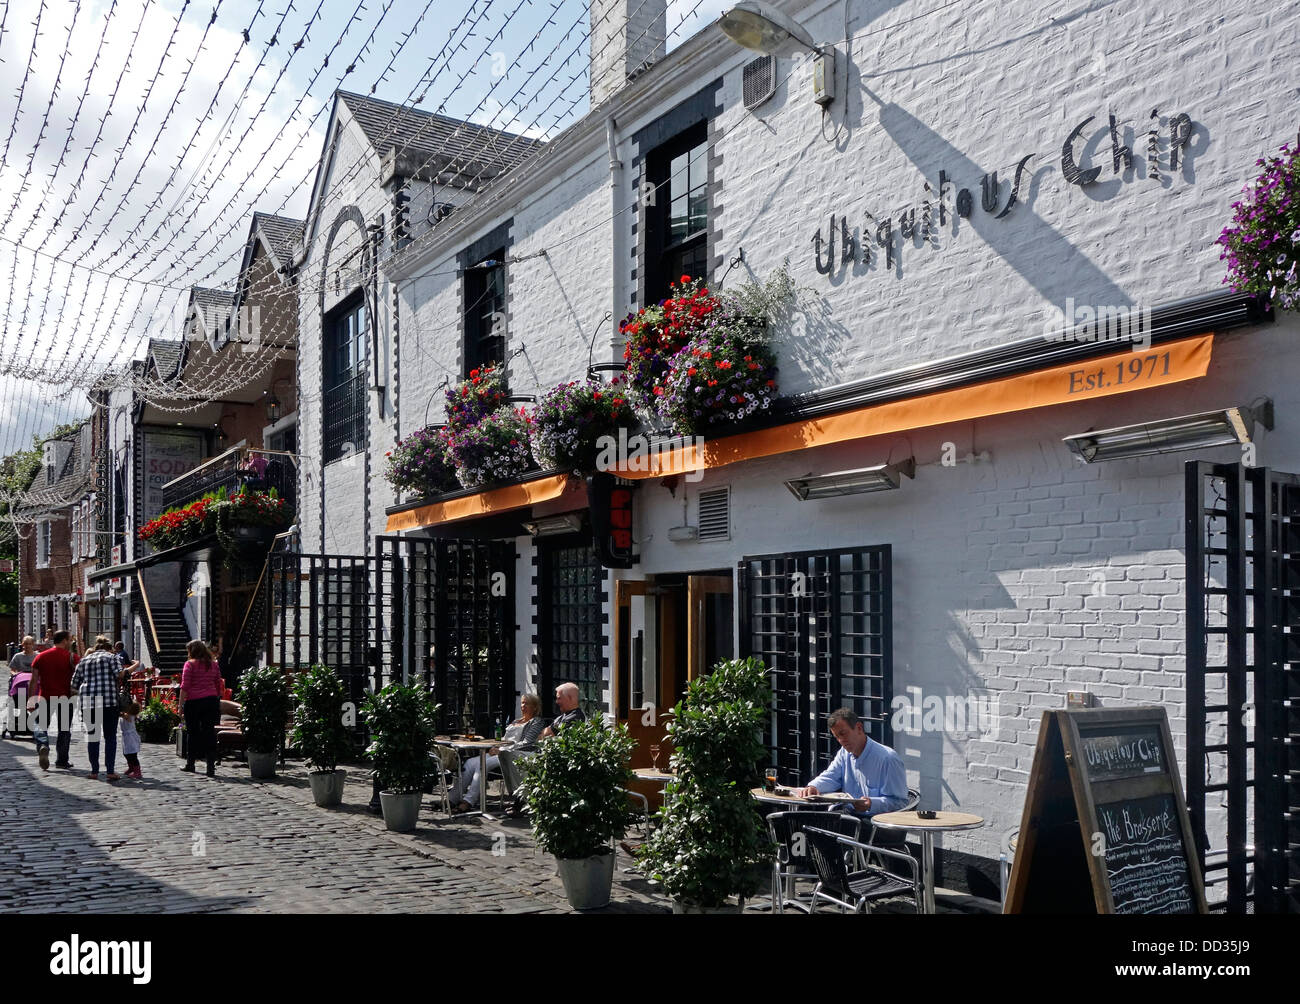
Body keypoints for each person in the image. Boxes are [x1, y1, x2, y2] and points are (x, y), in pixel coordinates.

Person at [793, 707, 909, 817]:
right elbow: (831, 776)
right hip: (850, 816)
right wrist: (813, 786)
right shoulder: (844, 753)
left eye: (843, 734)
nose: (841, 740)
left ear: (859, 728)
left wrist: (871, 804)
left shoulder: (888, 759)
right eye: (837, 737)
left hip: (875, 823)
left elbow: (901, 803)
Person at [451, 693, 545, 814]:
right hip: (501, 750)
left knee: (482, 764)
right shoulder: (516, 721)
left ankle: (468, 802)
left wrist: (501, 750)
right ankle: (452, 798)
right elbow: (505, 738)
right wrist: (496, 746)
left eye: (527, 703)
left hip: (514, 754)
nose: (523, 706)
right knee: (469, 763)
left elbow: (527, 743)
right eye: (522, 703)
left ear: (535, 707)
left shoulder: (536, 722)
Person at [70, 635, 126, 782]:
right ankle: (110, 771)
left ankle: (94, 771)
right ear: (109, 647)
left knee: (92, 737)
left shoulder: (84, 660)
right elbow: (119, 674)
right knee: (110, 737)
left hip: (89, 702)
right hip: (109, 701)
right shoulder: (112, 657)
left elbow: (74, 684)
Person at [28, 631, 77, 771]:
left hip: (46, 697)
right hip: (66, 698)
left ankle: (43, 744)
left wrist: (31, 699)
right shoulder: (72, 657)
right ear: (64, 640)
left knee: (39, 725)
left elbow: (33, 681)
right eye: (70, 640)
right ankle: (62, 760)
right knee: (64, 729)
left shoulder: (41, 657)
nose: (71, 643)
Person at [179, 639, 224, 777]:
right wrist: (216, 697)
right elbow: (218, 682)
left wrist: (180, 705)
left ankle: (190, 764)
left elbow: (185, 686)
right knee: (209, 733)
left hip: (194, 702)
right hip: (210, 701)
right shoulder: (213, 665)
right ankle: (210, 767)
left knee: (193, 733)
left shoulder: (189, 665)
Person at [120, 701, 143, 779]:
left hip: (131, 738)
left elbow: (122, 714)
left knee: (132, 755)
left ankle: (137, 772)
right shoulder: (128, 715)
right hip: (127, 737)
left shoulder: (129, 716)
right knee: (126, 754)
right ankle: (131, 768)